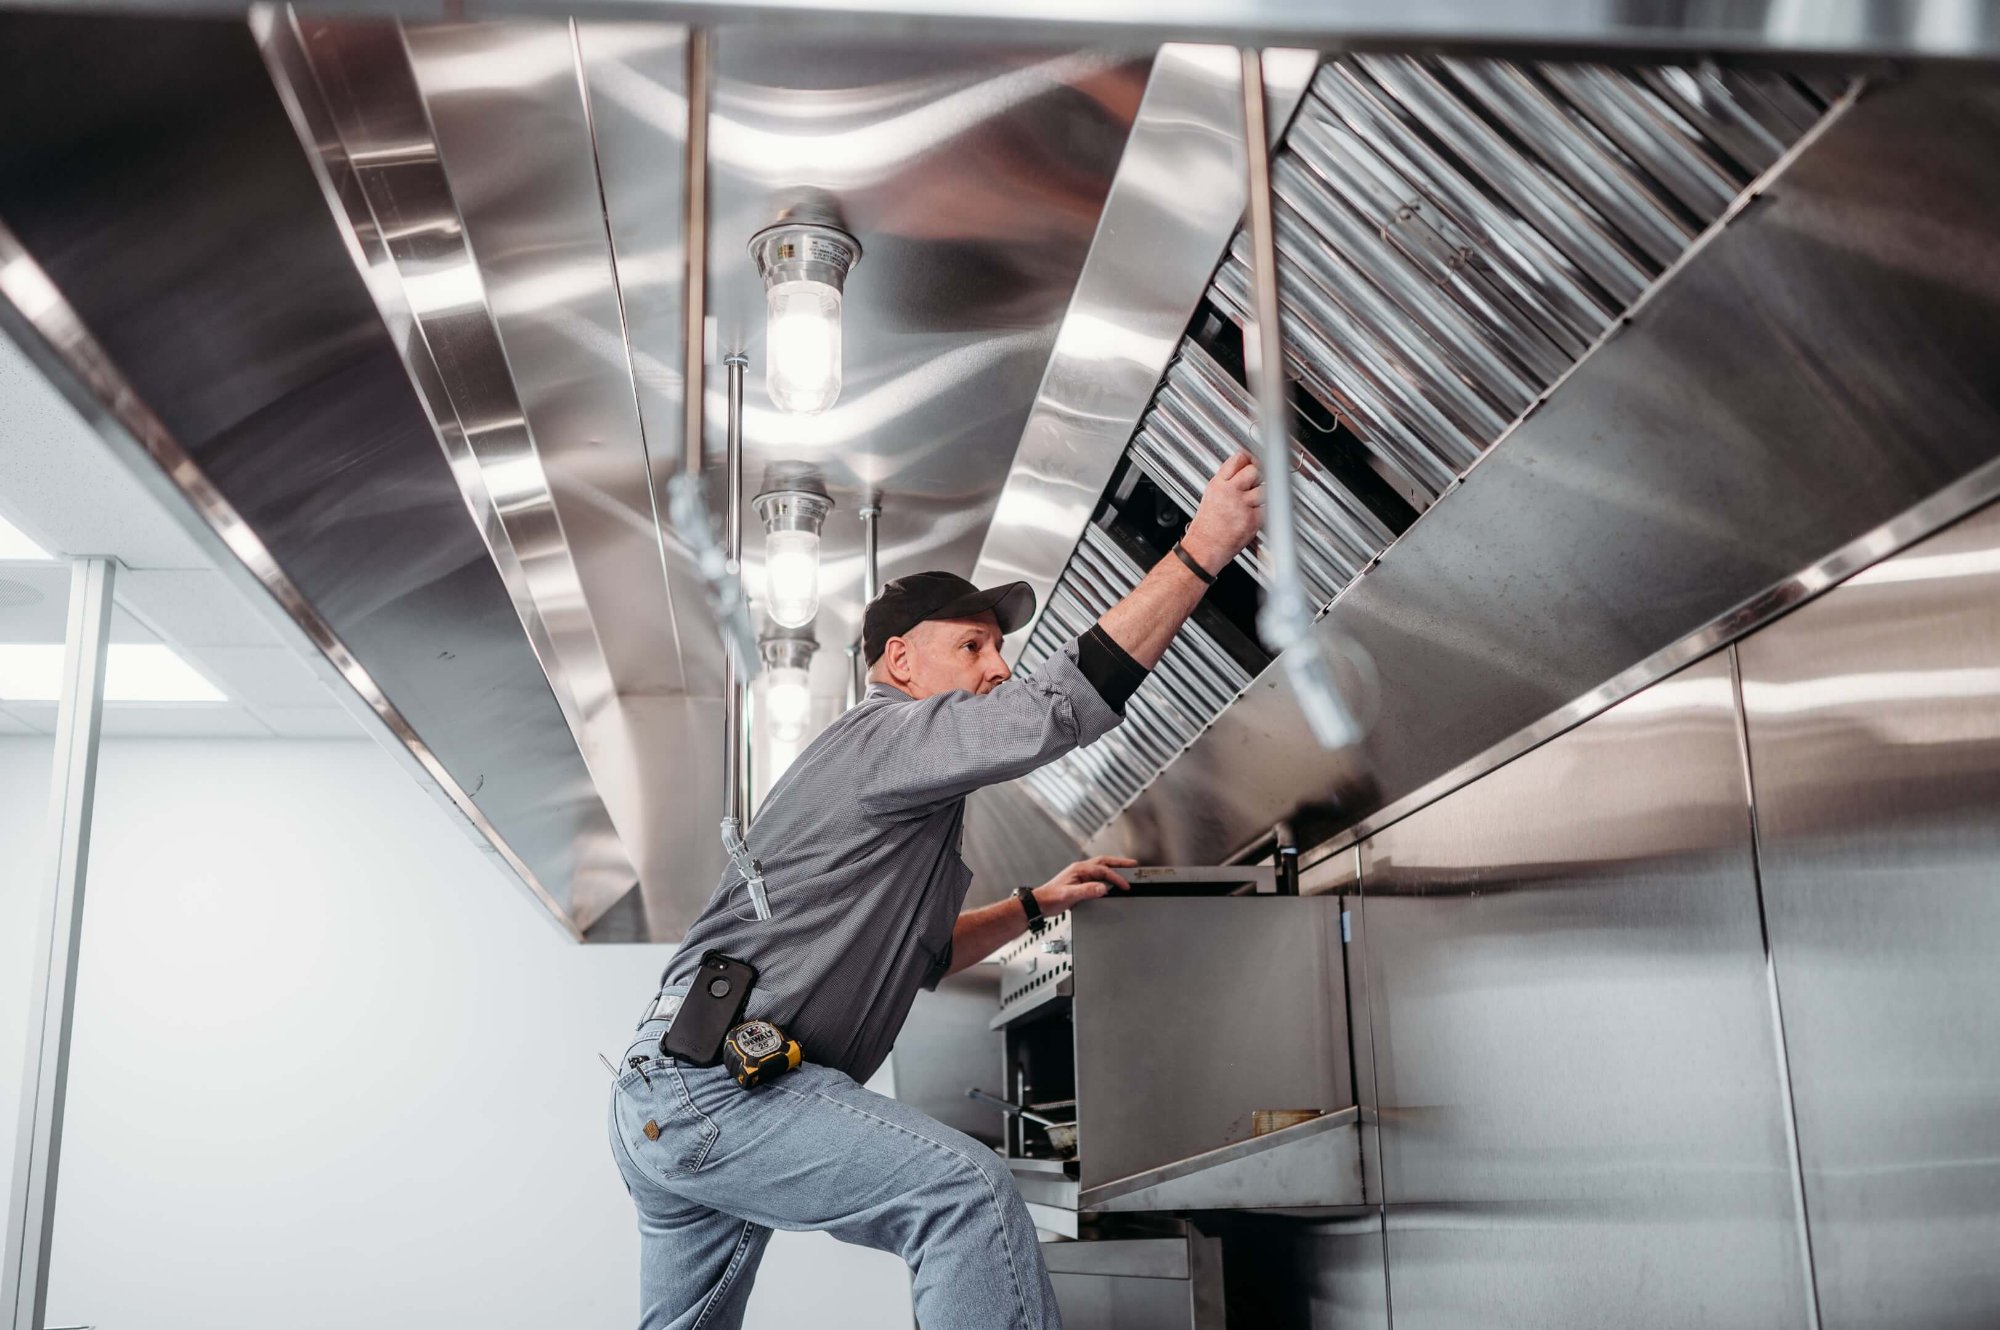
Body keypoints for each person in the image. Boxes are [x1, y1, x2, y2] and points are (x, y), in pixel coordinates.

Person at [607, 452, 1264, 1329]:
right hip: (716, 1090)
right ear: (901, 660)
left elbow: (921, 957)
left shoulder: (908, 796)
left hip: (671, 1093)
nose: (996, 667)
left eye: (999, 648)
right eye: (973, 645)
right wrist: (1199, 552)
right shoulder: (887, 735)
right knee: (966, 1194)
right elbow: (1057, 710)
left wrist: (1036, 903)